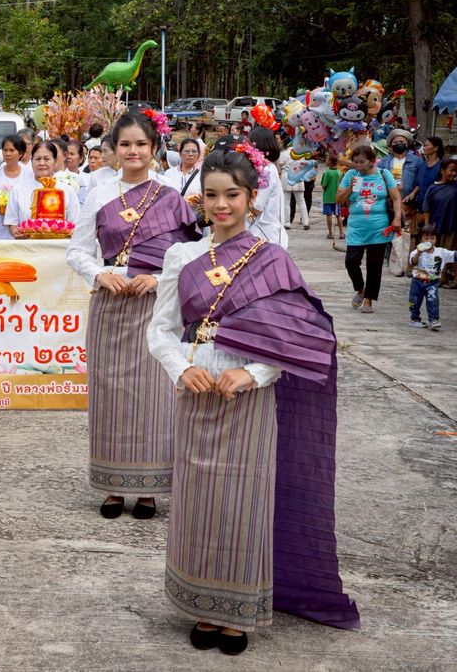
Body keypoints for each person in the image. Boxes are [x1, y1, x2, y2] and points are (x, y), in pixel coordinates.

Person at [146, 147, 360, 656]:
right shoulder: (183, 257)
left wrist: (255, 372)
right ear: (199, 200)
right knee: (198, 500)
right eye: (212, 195)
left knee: (244, 502)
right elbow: (160, 330)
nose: (222, 205)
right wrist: (183, 367)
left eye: (233, 195)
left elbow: (303, 339)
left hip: (249, 399)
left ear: (252, 197)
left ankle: (237, 612)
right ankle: (201, 604)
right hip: (197, 393)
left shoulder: (273, 260)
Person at [66, 112, 200, 520]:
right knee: (111, 395)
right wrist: (99, 273)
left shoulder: (170, 196)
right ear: (113, 150)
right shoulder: (99, 194)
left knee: (153, 396)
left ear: (154, 148)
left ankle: (149, 491)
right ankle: (111, 487)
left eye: (141, 144)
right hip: (110, 304)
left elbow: (189, 256)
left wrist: (157, 279)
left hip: (155, 307)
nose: (133, 151)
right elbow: (77, 251)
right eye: (125, 144)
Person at [336, 144, 403, 313]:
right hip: (356, 226)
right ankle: (360, 288)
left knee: (375, 265)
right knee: (351, 262)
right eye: (355, 162)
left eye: (361, 162)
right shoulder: (351, 175)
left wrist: (396, 217)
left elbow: (396, 197)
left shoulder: (383, 174)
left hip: (379, 227)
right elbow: (338, 199)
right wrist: (350, 187)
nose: (358, 165)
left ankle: (369, 300)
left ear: (372, 161)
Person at [5, 141, 81, 236]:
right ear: (31, 162)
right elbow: (12, 222)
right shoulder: (18, 190)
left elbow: (75, 223)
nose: (42, 163)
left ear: (55, 161)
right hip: (28, 246)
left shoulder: (67, 191)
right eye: (37, 159)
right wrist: (16, 232)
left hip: (59, 248)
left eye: (47, 159)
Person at [246, 126, 288, 247]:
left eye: (250, 143)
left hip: (265, 236)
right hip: (262, 234)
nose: (247, 147)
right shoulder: (264, 168)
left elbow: (256, 207)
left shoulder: (266, 170)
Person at [408, 224, 454, 330]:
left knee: (433, 300)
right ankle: (414, 319)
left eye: (432, 238)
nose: (430, 240)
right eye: (426, 238)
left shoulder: (441, 252)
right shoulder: (416, 252)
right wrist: (419, 252)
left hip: (433, 282)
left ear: (436, 239)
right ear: (421, 240)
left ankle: (434, 320)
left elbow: (454, 255)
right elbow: (412, 263)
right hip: (417, 281)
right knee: (414, 301)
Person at [423, 158, 457, 287]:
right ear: (442, 171)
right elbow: (427, 208)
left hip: (452, 226)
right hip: (437, 226)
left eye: (456, 171)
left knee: (452, 252)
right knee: (438, 253)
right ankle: (441, 278)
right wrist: (427, 227)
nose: (453, 173)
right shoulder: (433, 188)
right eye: (451, 170)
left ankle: (454, 279)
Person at [279, 148, 309, 230]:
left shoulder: (283, 153)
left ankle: (287, 223)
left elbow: (280, 165)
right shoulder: (300, 153)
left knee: (286, 202)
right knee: (301, 201)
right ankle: (305, 222)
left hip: (286, 176)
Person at [320, 161, 344, 240]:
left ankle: (331, 233)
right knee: (338, 215)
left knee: (329, 214)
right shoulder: (339, 172)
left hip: (328, 197)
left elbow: (323, 185)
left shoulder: (326, 172)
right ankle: (341, 233)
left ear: (330, 162)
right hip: (337, 197)